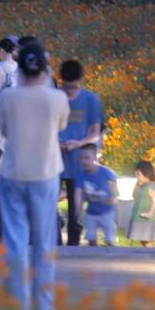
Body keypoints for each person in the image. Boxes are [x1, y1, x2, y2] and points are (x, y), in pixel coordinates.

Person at [0, 42, 69, 310]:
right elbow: (60, 126)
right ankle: (45, 302)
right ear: (45, 68)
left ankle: (19, 304)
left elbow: (4, 130)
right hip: (45, 172)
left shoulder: (8, 97)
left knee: (16, 240)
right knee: (44, 240)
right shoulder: (57, 98)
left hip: (13, 171)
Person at [59, 59, 103, 246]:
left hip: (80, 159)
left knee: (75, 207)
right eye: (67, 86)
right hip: (54, 158)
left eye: (73, 86)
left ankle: (73, 243)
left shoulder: (90, 99)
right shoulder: (54, 97)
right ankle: (51, 241)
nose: (70, 90)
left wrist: (78, 143)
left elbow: (95, 131)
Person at [75, 144, 118, 247]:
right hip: (91, 212)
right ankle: (94, 258)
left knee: (109, 239)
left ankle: (112, 255)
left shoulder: (106, 172)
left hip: (107, 211)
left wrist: (113, 198)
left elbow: (114, 188)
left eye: (87, 158)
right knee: (91, 238)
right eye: (81, 158)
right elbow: (77, 194)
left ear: (95, 158)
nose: (83, 161)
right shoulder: (81, 175)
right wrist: (78, 210)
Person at [129, 160, 155, 246]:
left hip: (147, 217)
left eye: (139, 175)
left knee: (146, 237)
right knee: (143, 238)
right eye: (136, 175)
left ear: (147, 174)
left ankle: (150, 252)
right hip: (141, 216)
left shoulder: (150, 187)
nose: (137, 177)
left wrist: (151, 212)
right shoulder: (141, 187)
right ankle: (148, 251)